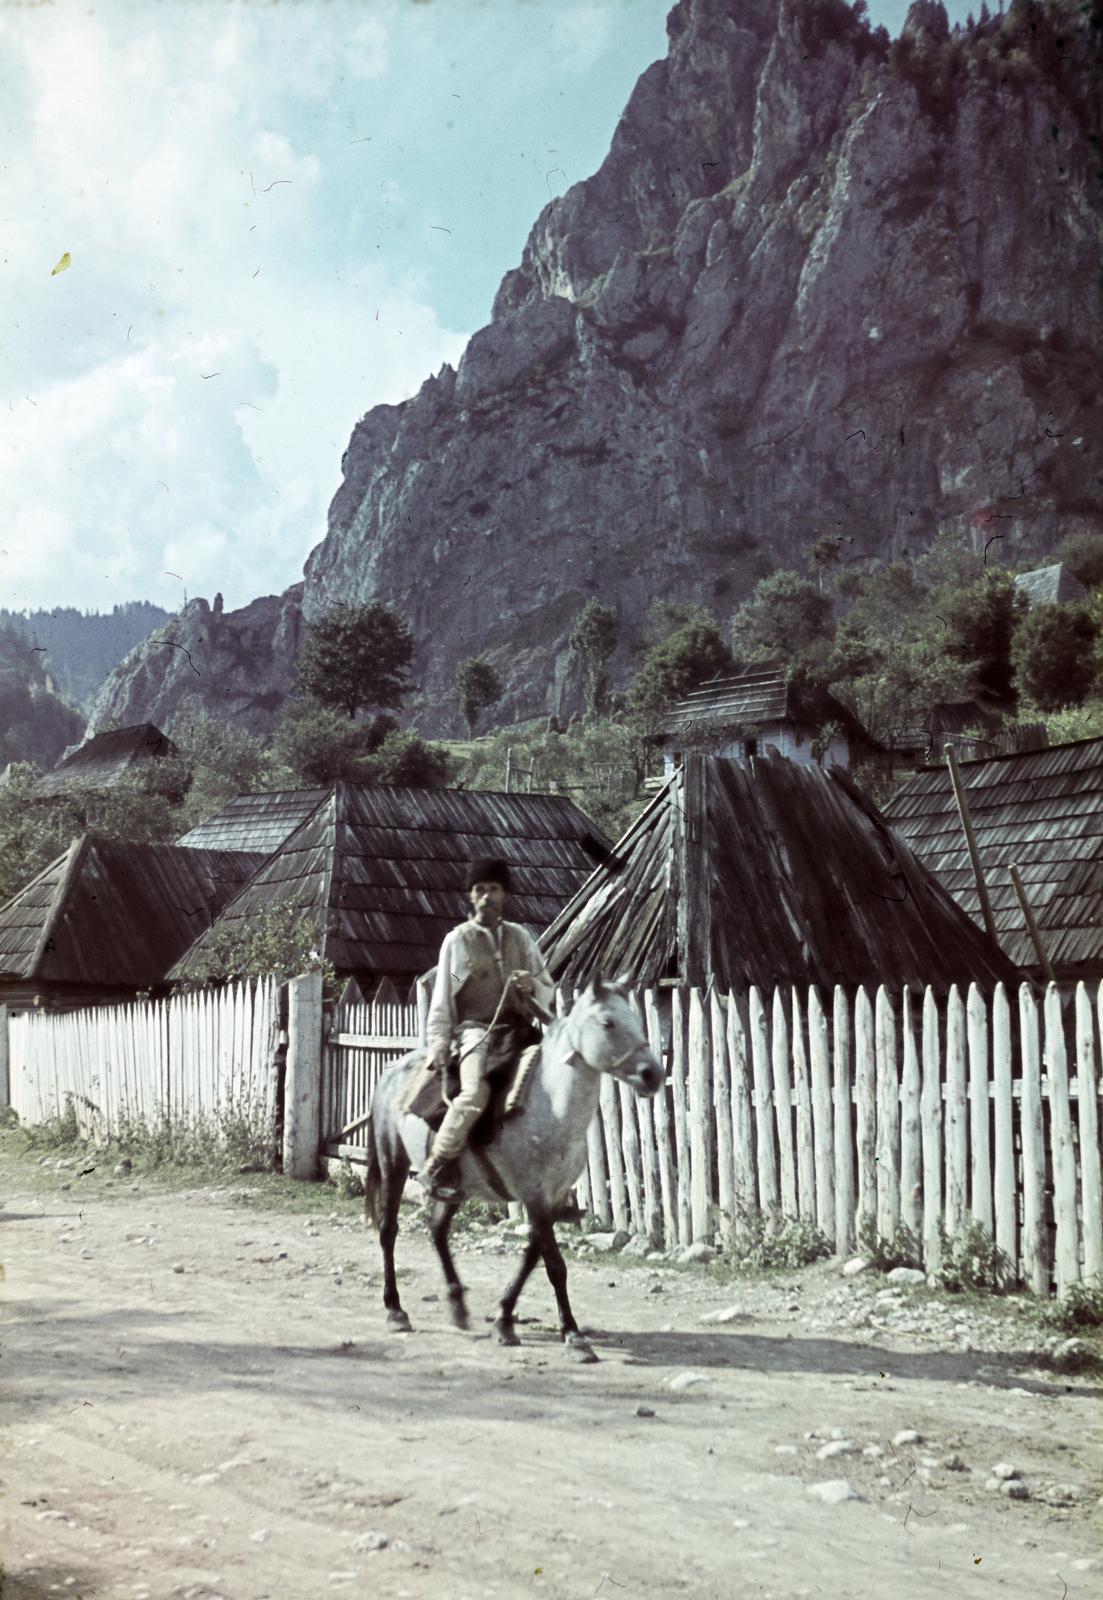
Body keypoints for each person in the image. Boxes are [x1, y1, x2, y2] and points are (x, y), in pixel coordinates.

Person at [417, 857, 555, 1202]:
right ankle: (437, 1165)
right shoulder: (458, 942)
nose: (486, 896)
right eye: (479, 890)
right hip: (475, 1033)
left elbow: (546, 984)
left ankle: (554, 1182)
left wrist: (531, 984)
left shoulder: (520, 938)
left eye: (493, 889)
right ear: (470, 897)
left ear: (505, 894)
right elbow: (445, 994)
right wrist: (439, 1041)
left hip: (518, 1032)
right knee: (474, 1093)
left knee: (553, 1088)